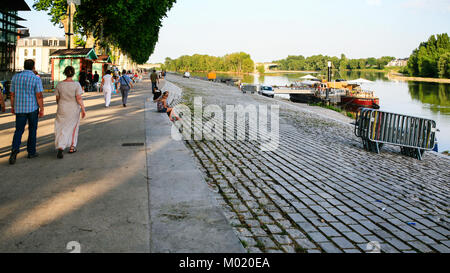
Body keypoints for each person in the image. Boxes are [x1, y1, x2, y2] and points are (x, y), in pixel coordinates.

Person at [9, 59, 44, 165]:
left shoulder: (15, 77)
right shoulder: (35, 78)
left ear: (24, 66)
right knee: (32, 130)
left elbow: (12, 94)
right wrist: (41, 108)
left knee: (18, 130)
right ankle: (31, 152)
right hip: (32, 108)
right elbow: (39, 96)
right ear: (33, 66)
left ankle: (14, 151)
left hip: (19, 108)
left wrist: (12, 106)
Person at [54, 66, 86, 159]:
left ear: (65, 73)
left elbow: (57, 98)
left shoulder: (59, 84)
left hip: (62, 107)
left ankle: (60, 146)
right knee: (73, 128)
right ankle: (72, 147)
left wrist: (60, 105)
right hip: (73, 108)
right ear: (73, 74)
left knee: (60, 126)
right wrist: (83, 108)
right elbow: (78, 98)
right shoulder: (76, 85)